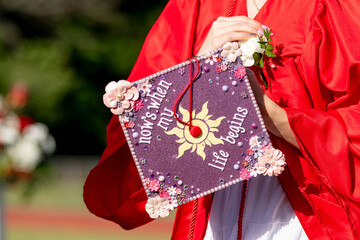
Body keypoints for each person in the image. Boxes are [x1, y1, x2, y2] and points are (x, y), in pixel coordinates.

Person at [83, 0, 360, 239]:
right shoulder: (193, 8)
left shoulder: (338, 9)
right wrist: (198, 72)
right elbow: (142, 158)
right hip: (211, 224)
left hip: (303, 222)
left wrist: (270, 113)